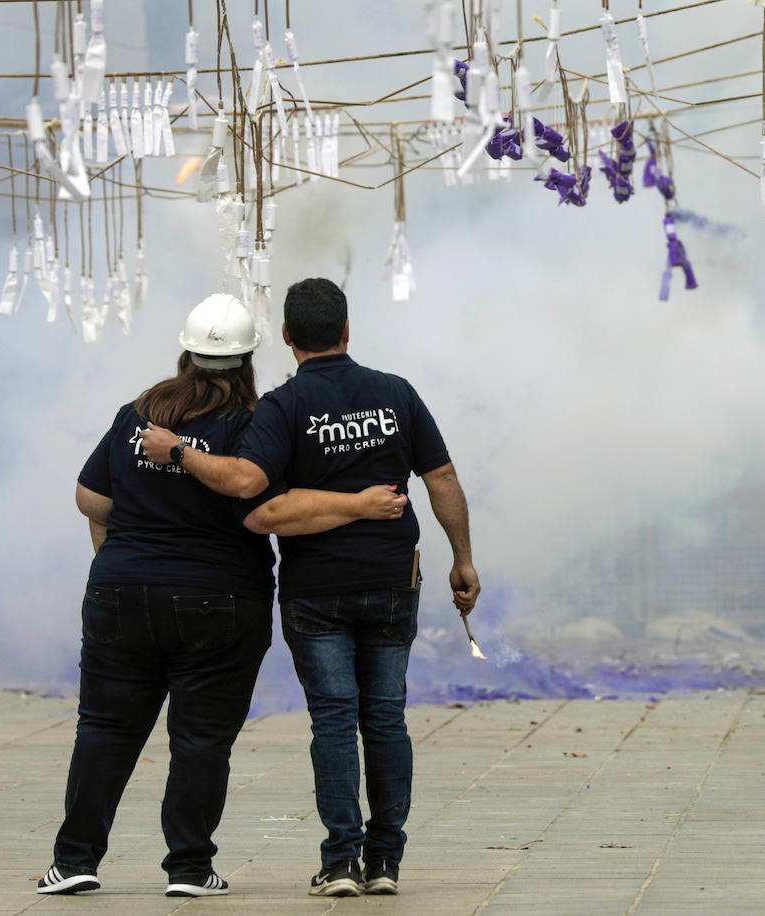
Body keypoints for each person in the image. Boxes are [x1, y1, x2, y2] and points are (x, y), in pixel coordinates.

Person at [38, 293, 408, 899]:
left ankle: (75, 859)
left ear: (185, 352)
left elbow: (91, 499)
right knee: (201, 738)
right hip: (221, 601)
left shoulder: (139, 415)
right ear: (249, 357)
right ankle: (187, 869)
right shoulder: (255, 424)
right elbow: (270, 507)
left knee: (104, 727)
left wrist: (119, 560)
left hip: (122, 594)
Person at [141, 277, 480, 898]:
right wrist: (463, 558)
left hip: (315, 590)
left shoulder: (281, 408)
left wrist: (181, 454)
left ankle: (342, 862)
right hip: (392, 579)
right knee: (385, 719)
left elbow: (259, 505)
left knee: (333, 720)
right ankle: (386, 863)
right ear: (348, 331)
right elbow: (443, 476)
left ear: (288, 337)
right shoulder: (396, 394)